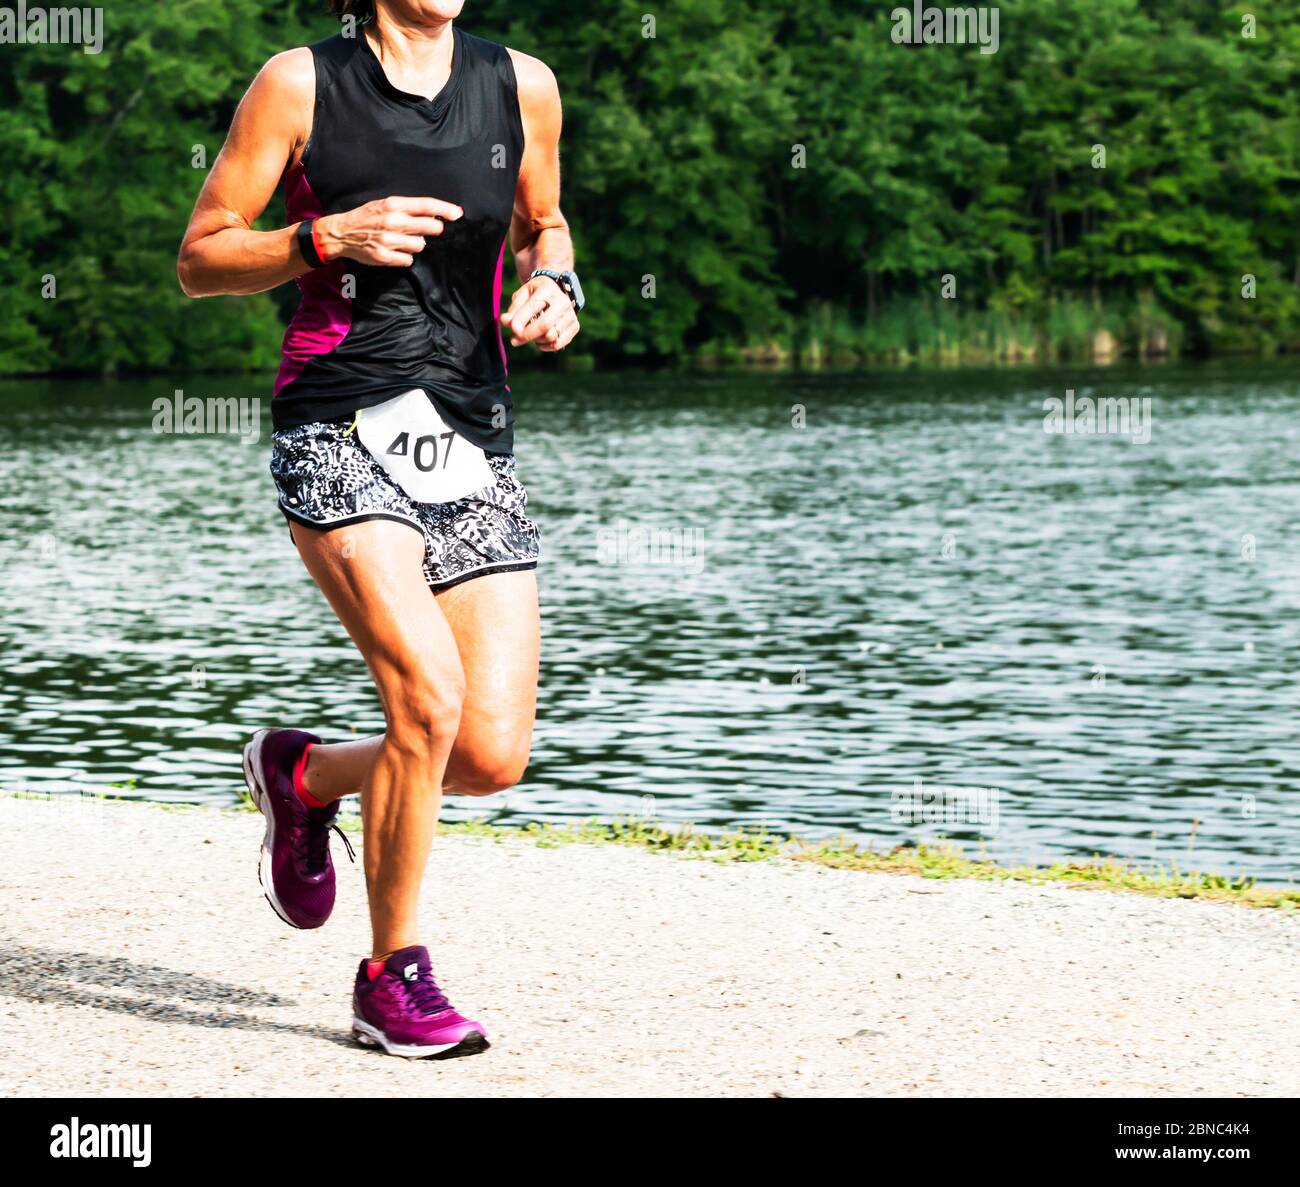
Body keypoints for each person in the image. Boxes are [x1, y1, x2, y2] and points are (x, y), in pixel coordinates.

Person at [177, 0, 583, 1058]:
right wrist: (322, 237)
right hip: (338, 414)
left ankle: (304, 778)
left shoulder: (521, 83)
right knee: (425, 694)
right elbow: (202, 255)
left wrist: (555, 283)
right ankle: (389, 977)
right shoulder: (300, 84)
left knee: (490, 751)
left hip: (463, 432)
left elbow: (546, 221)